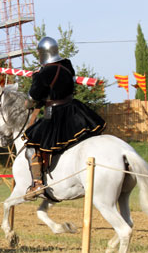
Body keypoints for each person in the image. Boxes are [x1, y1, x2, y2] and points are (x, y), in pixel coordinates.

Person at [22, 36, 106, 200]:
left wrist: (29, 103)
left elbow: (33, 98)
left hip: (54, 113)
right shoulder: (67, 66)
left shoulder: (42, 73)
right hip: (74, 110)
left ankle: (37, 184)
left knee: (32, 144)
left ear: (42, 53)